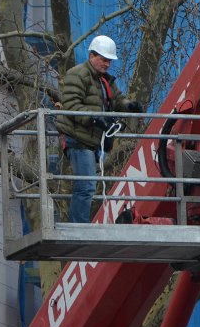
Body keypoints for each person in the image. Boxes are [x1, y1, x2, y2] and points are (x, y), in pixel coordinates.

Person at [57, 35, 141, 223]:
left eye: (109, 60)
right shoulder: (77, 74)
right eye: (104, 59)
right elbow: (71, 106)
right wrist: (96, 119)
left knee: (87, 186)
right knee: (86, 186)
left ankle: (80, 225)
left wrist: (129, 105)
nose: (108, 64)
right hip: (77, 139)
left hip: (92, 141)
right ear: (92, 55)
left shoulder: (105, 81)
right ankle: (80, 228)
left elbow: (118, 100)